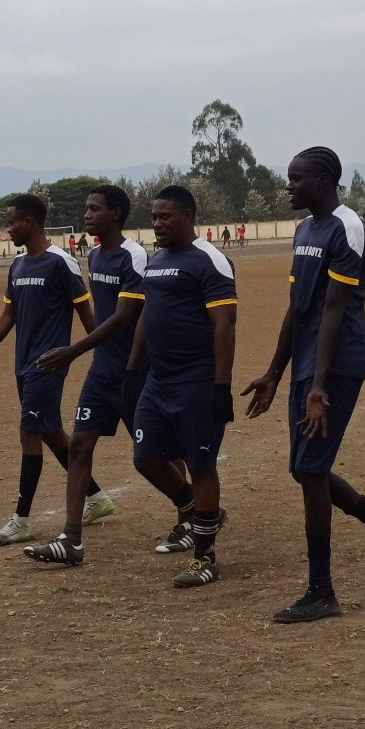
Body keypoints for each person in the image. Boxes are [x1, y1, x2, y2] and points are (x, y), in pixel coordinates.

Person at [240, 147, 365, 623]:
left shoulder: (348, 227)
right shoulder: (304, 229)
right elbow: (298, 305)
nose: (289, 187)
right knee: (305, 470)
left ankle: (321, 590)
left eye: (297, 179)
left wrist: (319, 386)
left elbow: (335, 309)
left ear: (324, 179)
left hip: (337, 363)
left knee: (311, 469)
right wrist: (274, 372)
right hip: (307, 362)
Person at [21, 185, 155, 566]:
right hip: (101, 372)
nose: (86, 215)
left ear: (116, 213)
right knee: (79, 447)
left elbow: (124, 316)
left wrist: (74, 349)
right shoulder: (94, 255)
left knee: (155, 453)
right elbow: (103, 315)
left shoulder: (134, 256)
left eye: (94, 209)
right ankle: (72, 539)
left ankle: (190, 512)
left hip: (133, 371)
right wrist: (91, 353)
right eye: (86, 209)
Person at [0, 194, 93, 546]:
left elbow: (87, 315)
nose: (8, 229)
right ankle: (96, 497)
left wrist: (98, 353)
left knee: (29, 433)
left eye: (11, 223)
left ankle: (21, 520)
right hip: (22, 364)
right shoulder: (17, 265)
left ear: (29, 222)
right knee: (49, 432)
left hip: (48, 364)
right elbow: (8, 316)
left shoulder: (61, 262)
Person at [123, 186, 237, 589]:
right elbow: (146, 315)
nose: (157, 223)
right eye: (154, 217)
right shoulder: (155, 261)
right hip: (157, 381)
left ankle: (204, 557)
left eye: (165, 216)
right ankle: (197, 508)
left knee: (201, 465)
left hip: (196, 382)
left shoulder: (210, 260)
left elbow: (225, 324)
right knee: (145, 458)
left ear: (188, 215)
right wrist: (132, 370)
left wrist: (220, 387)